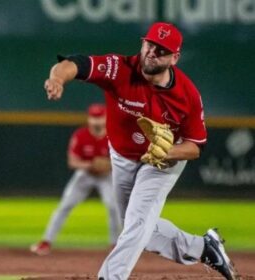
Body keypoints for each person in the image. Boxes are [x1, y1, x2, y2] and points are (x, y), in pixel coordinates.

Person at [42, 22, 238, 280]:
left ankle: (111, 277)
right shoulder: (119, 69)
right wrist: (57, 78)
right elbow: (75, 64)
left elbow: (194, 148)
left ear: (174, 58)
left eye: (161, 51)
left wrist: (166, 152)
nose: (151, 53)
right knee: (138, 231)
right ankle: (204, 248)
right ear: (142, 43)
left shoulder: (187, 95)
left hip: (162, 163)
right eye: (150, 44)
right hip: (122, 156)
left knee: (136, 224)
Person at [30, 103, 121, 256]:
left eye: (99, 118)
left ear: (106, 118)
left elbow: (124, 160)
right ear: (89, 119)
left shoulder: (115, 135)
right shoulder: (80, 135)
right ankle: (45, 242)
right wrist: (91, 165)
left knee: (113, 207)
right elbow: (72, 162)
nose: (96, 121)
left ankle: (115, 245)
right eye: (94, 118)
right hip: (85, 175)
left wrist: (109, 165)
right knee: (65, 205)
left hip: (107, 177)